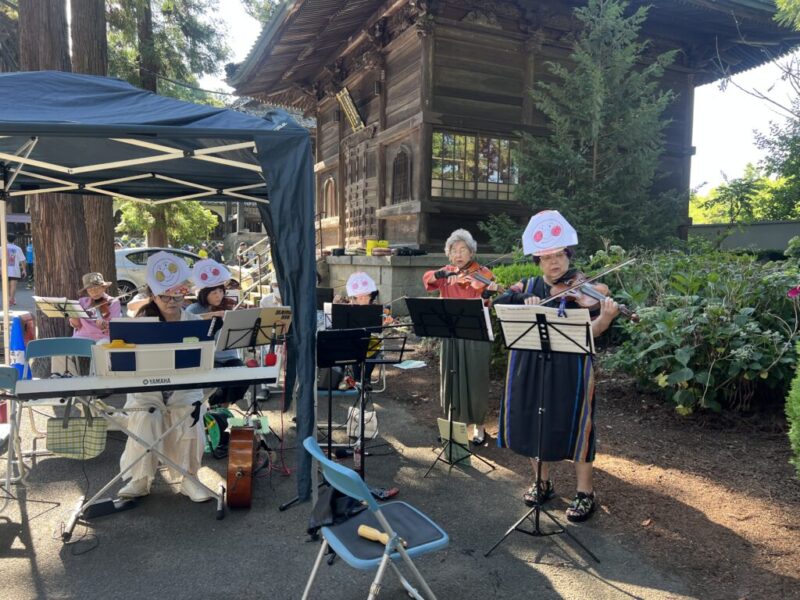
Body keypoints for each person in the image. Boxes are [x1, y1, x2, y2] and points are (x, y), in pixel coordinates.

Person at [493, 210, 620, 523]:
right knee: (533, 422)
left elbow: (594, 332)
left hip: (570, 368)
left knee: (577, 424)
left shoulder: (584, 288)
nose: (555, 263)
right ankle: (542, 482)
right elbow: (500, 300)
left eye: (560, 255)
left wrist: (604, 319)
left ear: (568, 256)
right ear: (538, 261)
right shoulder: (529, 285)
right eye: (547, 257)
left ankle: (585, 492)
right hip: (530, 365)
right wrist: (523, 300)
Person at [117, 251, 212, 502]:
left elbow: (204, 360)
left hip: (184, 388)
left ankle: (190, 477)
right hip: (147, 388)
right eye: (165, 296)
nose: (172, 301)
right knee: (145, 418)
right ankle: (140, 479)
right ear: (153, 296)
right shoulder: (141, 322)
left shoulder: (194, 321)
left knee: (190, 414)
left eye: (177, 296)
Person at [422, 229, 497, 445]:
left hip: (475, 335)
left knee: (476, 379)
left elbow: (484, 304)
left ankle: (479, 426)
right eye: (454, 250)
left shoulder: (483, 273)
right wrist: (441, 275)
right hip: (450, 333)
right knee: (450, 379)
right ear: (449, 254)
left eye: (463, 249)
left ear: (471, 252)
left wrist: (486, 294)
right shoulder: (446, 272)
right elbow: (427, 278)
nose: (458, 254)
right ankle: (453, 426)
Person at [185, 259, 248, 407]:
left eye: (220, 291)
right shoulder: (194, 309)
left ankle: (224, 409)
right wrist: (214, 315)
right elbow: (187, 320)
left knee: (242, 376)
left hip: (229, 355)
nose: (218, 296)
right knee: (219, 383)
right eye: (214, 292)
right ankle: (214, 409)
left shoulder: (228, 305)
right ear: (204, 293)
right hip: (208, 358)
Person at [69, 272, 121, 343]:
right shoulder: (82, 302)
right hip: (82, 336)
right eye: (90, 289)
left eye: (97, 288)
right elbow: (77, 325)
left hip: (103, 337)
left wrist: (104, 324)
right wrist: (73, 316)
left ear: (103, 288)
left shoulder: (113, 302)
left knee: (102, 344)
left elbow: (114, 325)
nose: (94, 292)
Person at [3, 235, 26, 306]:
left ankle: (9, 299)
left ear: (6, 239)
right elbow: (23, 260)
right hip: (15, 270)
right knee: (13, 285)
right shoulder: (18, 248)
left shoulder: (2, 248)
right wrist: (24, 270)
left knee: (6, 285)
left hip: (5, 270)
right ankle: (11, 299)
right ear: (14, 240)